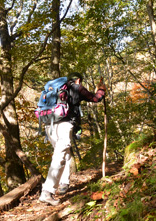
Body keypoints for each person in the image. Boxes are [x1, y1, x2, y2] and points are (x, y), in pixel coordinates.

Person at [39, 72, 106, 206]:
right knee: (60, 155)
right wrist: (102, 90)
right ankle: (47, 191)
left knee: (64, 152)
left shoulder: (55, 88)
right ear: (79, 80)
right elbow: (95, 98)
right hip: (64, 124)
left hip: (49, 125)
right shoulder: (77, 87)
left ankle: (64, 183)